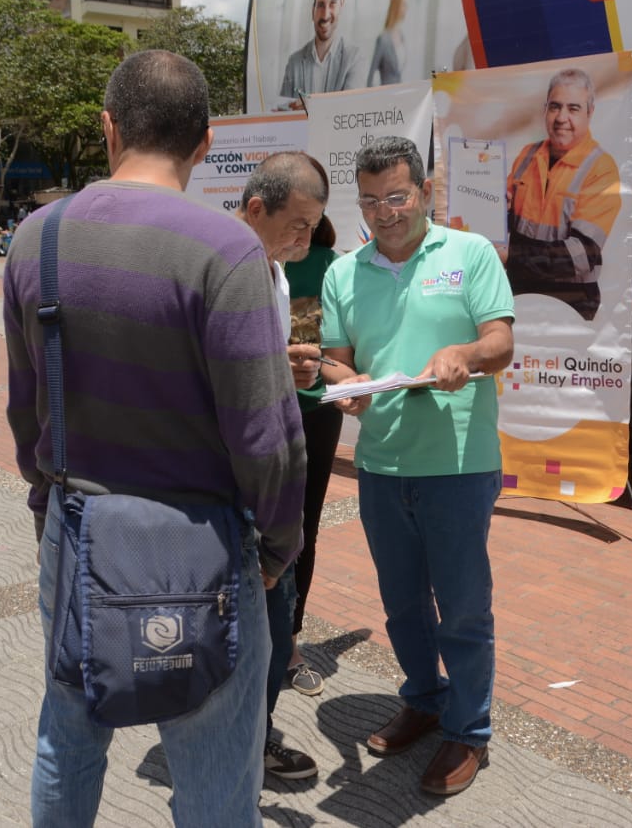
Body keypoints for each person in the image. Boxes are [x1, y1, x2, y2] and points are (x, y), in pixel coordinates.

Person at [4, 50, 306, 827]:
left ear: (108, 128)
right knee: (211, 769)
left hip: (76, 534)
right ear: (205, 144)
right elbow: (264, 436)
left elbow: (24, 409)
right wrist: (277, 547)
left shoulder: (37, 238)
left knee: (68, 738)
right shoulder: (227, 249)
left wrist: (47, 506)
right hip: (201, 549)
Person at [319, 136, 514, 796]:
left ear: (426, 193)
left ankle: (468, 731)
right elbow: (337, 359)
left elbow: (501, 340)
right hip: (380, 462)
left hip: (458, 463)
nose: (385, 212)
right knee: (403, 604)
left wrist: (466, 352)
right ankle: (425, 699)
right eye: (371, 201)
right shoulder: (344, 272)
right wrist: (347, 383)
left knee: (462, 606)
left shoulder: (470, 253)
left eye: (397, 196)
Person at [238, 151, 335, 782]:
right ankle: (238, 752)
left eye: (314, 226)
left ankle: (252, 738)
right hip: (240, 494)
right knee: (254, 636)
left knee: (273, 636)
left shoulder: (272, 273)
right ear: (255, 210)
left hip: (273, 489)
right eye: (298, 225)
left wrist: (290, 366)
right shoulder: (225, 271)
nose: (307, 240)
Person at [504, 67, 620, 321]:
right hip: (518, 295)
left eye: (573, 108)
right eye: (555, 107)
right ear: (545, 109)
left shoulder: (601, 169)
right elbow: (509, 225)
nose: (561, 117)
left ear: (590, 113)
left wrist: (510, 254)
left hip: (569, 305)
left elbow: (580, 256)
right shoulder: (527, 155)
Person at [282, 212, 342, 698]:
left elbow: (340, 347)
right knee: (275, 527)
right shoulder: (252, 261)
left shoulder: (331, 266)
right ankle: (274, 638)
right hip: (261, 409)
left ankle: (289, 642)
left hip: (315, 411)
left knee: (302, 528)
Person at [278, 0, 367, 106]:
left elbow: (350, 112)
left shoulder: (355, 59)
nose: (325, 15)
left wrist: (310, 106)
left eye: (332, 3)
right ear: (312, 11)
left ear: (341, 5)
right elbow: (283, 114)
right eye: (320, 5)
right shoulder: (294, 63)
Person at [367, 0, 406, 86]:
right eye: (404, 4)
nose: (406, 8)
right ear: (397, 6)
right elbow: (371, 76)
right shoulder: (383, 39)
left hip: (400, 93)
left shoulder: (401, 35)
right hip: (386, 95)